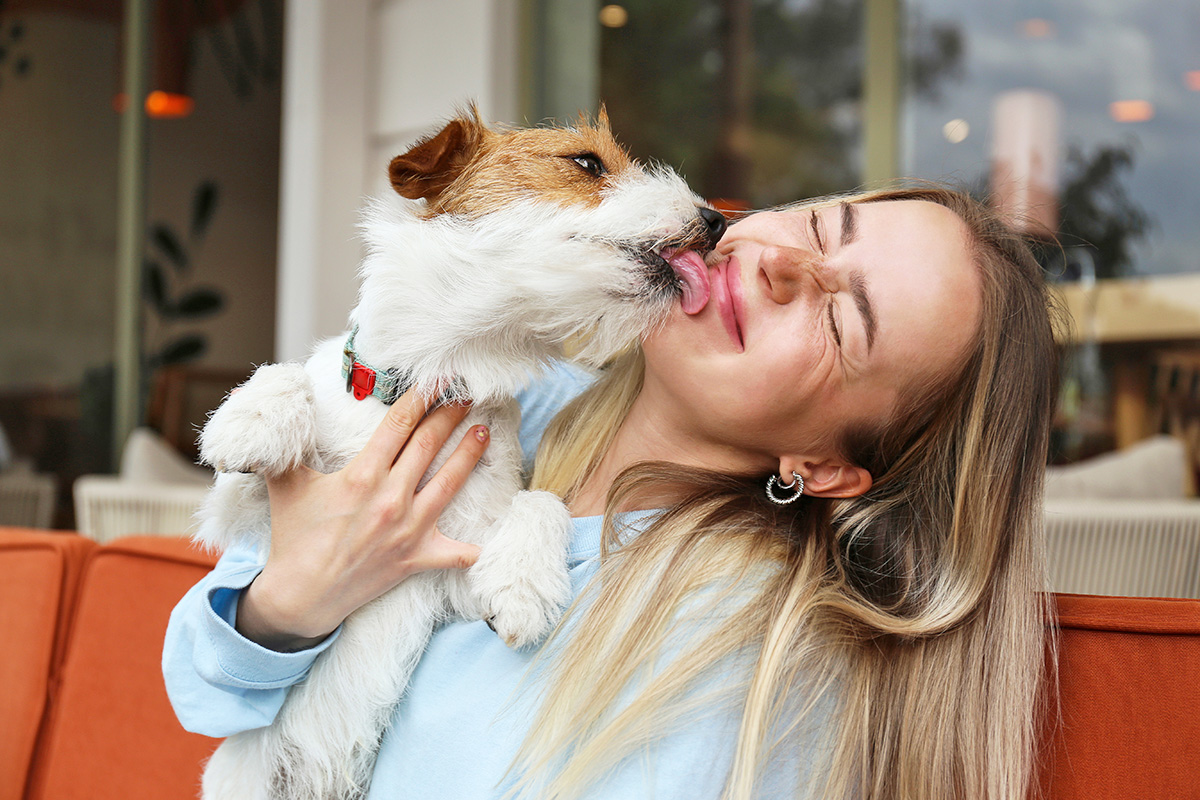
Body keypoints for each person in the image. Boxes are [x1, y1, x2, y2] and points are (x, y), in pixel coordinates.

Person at [164, 186, 1061, 800]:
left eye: (841, 319)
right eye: (823, 224)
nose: (786, 264)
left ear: (822, 468)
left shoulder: (735, 663)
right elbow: (199, 688)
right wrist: (293, 601)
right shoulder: (504, 405)